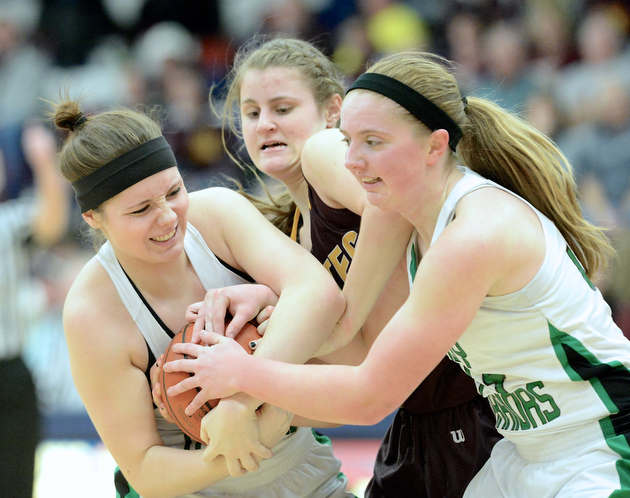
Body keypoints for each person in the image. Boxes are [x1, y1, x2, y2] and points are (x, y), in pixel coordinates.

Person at [165, 51, 630, 497]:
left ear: (435, 145)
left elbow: (368, 398)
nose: (350, 161)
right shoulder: (393, 214)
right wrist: (271, 301)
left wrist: (243, 374)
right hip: (523, 450)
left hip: (601, 439)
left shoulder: (473, 236)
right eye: (350, 142)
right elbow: (343, 327)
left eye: (374, 142)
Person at [197, 36, 500, 497]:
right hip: (412, 420)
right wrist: (241, 409)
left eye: (282, 108)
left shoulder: (325, 154)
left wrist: (343, 315)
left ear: (333, 112)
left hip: (478, 402)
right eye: (252, 112)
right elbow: (352, 387)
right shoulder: (287, 242)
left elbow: (392, 208)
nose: (265, 125)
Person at [53, 98, 354, 498]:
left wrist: (238, 402)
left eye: (174, 191)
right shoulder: (91, 311)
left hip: (300, 471)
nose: (167, 216)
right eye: (141, 209)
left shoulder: (216, 212)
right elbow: (144, 469)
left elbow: (320, 295)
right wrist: (235, 443)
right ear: (93, 218)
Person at [0, 123, 69, 498]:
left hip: (9, 375)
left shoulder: (7, 222)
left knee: (15, 484)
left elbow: (51, 222)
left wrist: (44, 162)